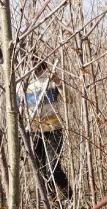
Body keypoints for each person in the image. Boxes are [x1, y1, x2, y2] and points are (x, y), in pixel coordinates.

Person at [19, 60, 72, 201]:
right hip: (34, 131)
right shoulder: (21, 84)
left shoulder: (50, 80)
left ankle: (68, 197)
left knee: (52, 167)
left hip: (54, 129)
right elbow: (18, 111)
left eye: (34, 62)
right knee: (41, 170)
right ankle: (52, 201)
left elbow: (70, 99)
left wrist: (58, 82)